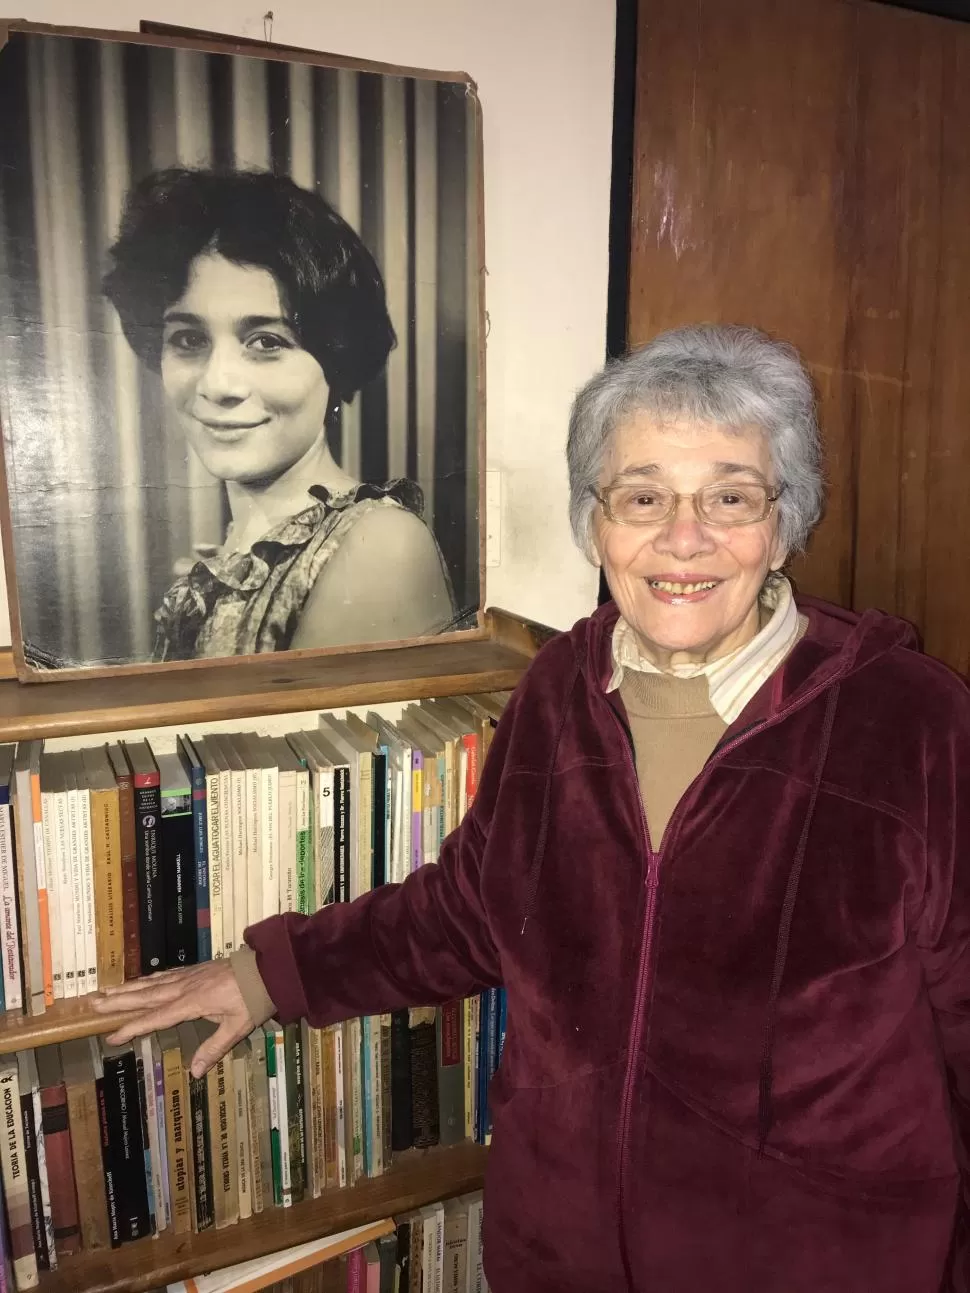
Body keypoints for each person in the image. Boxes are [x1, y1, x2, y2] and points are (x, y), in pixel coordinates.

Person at [95, 324, 970, 1292]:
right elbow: (476, 904)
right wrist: (270, 974)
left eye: (730, 496)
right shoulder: (560, 685)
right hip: (561, 1250)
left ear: (785, 519)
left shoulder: (913, 724)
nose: (684, 538)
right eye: (641, 497)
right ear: (595, 522)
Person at [102, 167, 456, 661]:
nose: (217, 384)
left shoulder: (380, 547)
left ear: (335, 361)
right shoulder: (227, 558)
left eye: (266, 341)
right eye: (188, 339)